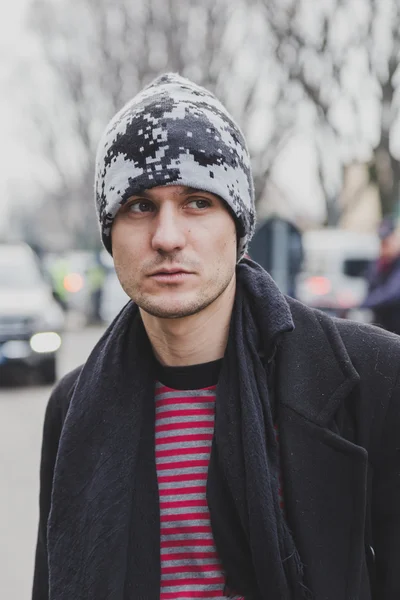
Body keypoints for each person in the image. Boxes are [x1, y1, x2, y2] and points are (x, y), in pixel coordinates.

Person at [32, 74, 400, 600]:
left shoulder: (377, 379)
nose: (167, 237)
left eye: (197, 202)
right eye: (139, 205)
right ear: (109, 236)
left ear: (239, 226)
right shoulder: (73, 406)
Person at [361, 217, 400, 335]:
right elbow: (370, 284)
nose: (384, 245)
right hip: (383, 323)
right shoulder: (380, 263)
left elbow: (391, 292)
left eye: (387, 241)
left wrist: (363, 303)